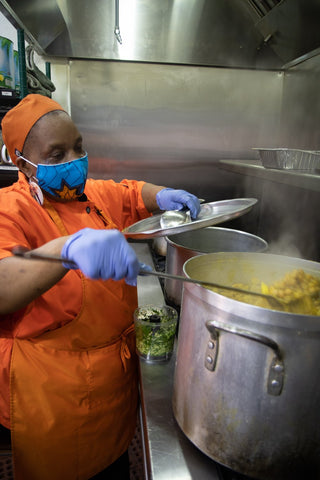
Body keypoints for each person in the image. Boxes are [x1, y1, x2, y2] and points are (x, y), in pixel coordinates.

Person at [0, 94, 200, 480]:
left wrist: (160, 195)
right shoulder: (11, 209)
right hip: (54, 396)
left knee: (113, 468)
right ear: (21, 161)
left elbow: (129, 192)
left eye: (78, 147)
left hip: (112, 384)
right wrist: (66, 251)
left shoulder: (89, 194)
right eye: (56, 155)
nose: (73, 162)